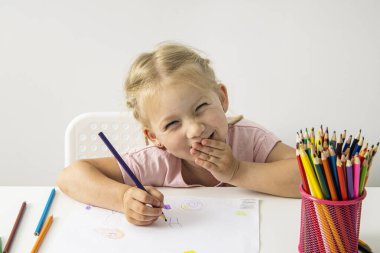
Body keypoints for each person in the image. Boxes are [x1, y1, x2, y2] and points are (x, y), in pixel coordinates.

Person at [57, 42, 300, 226]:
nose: (195, 130)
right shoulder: (155, 160)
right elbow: (70, 177)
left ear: (222, 98)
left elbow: (309, 175)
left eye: (201, 107)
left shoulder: (249, 139)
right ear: (154, 137)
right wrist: (123, 198)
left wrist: (238, 171)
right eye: (172, 123)